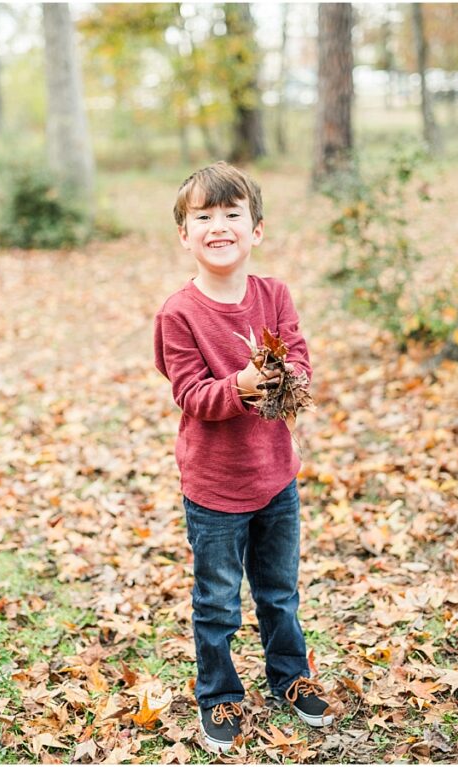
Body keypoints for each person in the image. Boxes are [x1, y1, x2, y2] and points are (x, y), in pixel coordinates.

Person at [153, 162, 333, 754]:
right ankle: (219, 694)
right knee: (217, 601)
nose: (219, 225)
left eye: (232, 214)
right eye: (203, 216)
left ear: (257, 229)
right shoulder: (178, 314)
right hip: (213, 489)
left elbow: (299, 360)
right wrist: (247, 384)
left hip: (276, 478)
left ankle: (289, 675)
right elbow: (193, 396)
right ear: (185, 235)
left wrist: (288, 379)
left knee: (280, 591)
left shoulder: (273, 295)